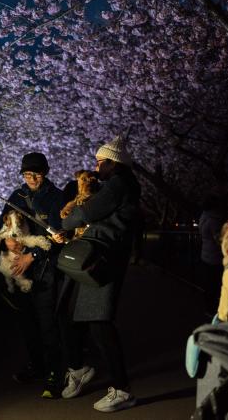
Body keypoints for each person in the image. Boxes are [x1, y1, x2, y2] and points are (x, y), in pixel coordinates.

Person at [59, 136, 141, 413]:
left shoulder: (119, 183)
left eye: (99, 162)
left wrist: (66, 222)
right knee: (74, 314)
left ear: (112, 162)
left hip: (102, 260)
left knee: (99, 321)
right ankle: (79, 368)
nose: (96, 168)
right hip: (99, 257)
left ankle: (122, 389)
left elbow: (89, 211)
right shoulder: (123, 184)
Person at [0, 152, 65, 399]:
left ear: (45, 172)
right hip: (19, 269)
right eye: (27, 174)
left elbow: (59, 235)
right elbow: (4, 223)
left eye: (36, 173)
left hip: (46, 267)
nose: (32, 178)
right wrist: (8, 240)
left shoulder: (56, 197)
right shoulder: (16, 196)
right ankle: (36, 365)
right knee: (27, 322)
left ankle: (55, 373)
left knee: (48, 323)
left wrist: (32, 256)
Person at [197, 192, 226, 316]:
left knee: (209, 284)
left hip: (206, 255)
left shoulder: (203, 218)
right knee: (216, 284)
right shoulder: (214, 220)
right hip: (215, 257)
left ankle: (208, 308)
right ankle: (214, 309)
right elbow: (218, 239)